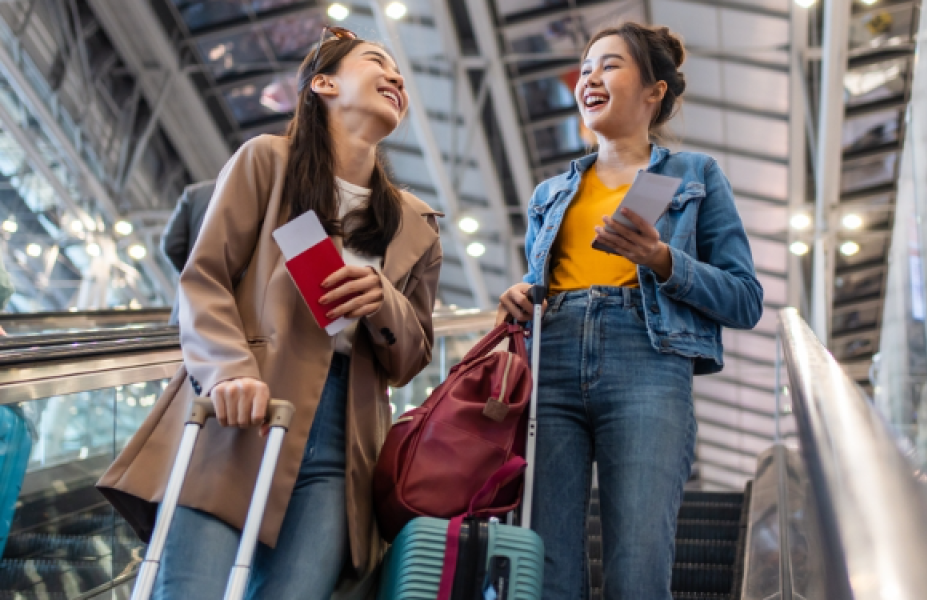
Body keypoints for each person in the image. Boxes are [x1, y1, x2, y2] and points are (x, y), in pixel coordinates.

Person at [97, 26, 443, 599]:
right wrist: (229, 370)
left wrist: (385, 300)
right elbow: (203, 278)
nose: (397, 78)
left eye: (400, 75)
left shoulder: (415, 224)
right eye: (377, 62)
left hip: (345, 442)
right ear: (323, 84)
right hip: (241, 410)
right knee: (191, 588)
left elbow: (413, 356)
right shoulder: (267, 162)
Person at [496, 22, 763, 600]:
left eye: (610, 65)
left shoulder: (693, 176)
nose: (591, 76)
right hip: (552, 361)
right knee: (545, 566)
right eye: (587, 66)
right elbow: (539, 280)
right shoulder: (549, 195)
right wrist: (520, 295)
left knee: (638, 564)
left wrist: (664, 260)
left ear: (654, 91)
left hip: (648, 359)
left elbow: (746, 299)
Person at [161, 180, 215, 325]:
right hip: (231, 322)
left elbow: (172, 246)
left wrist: (194, 274)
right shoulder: (258, 199)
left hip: (188, 312)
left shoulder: (196, 194)